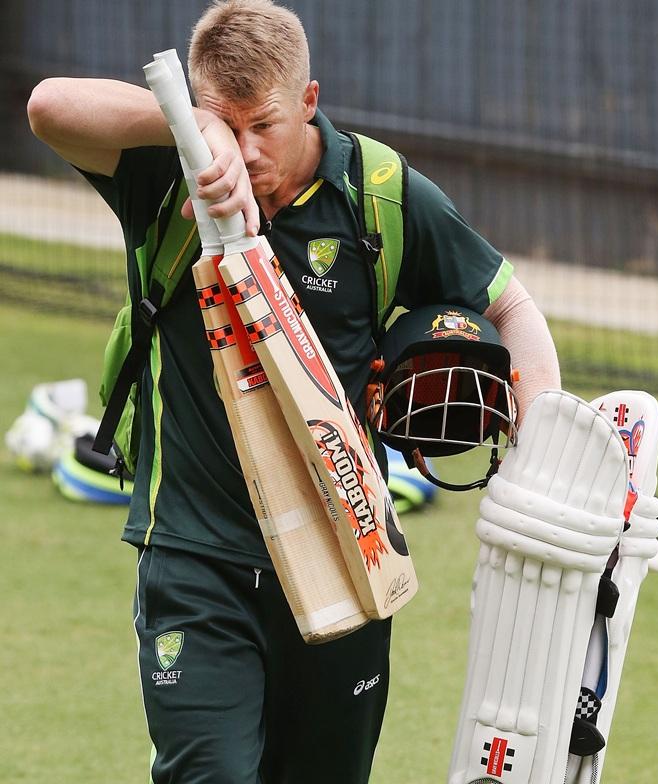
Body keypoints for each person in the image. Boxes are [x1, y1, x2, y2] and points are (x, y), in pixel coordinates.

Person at [27, 1, 561, 781]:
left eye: (262, 128)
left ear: (309, 103)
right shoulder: (167, 170)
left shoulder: (380, 193)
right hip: (195, 561)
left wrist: (541, 449)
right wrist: (189, 129)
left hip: (347, 558)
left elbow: (510, 304)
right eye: (223, 125)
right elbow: (46, 108)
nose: (241, 154)